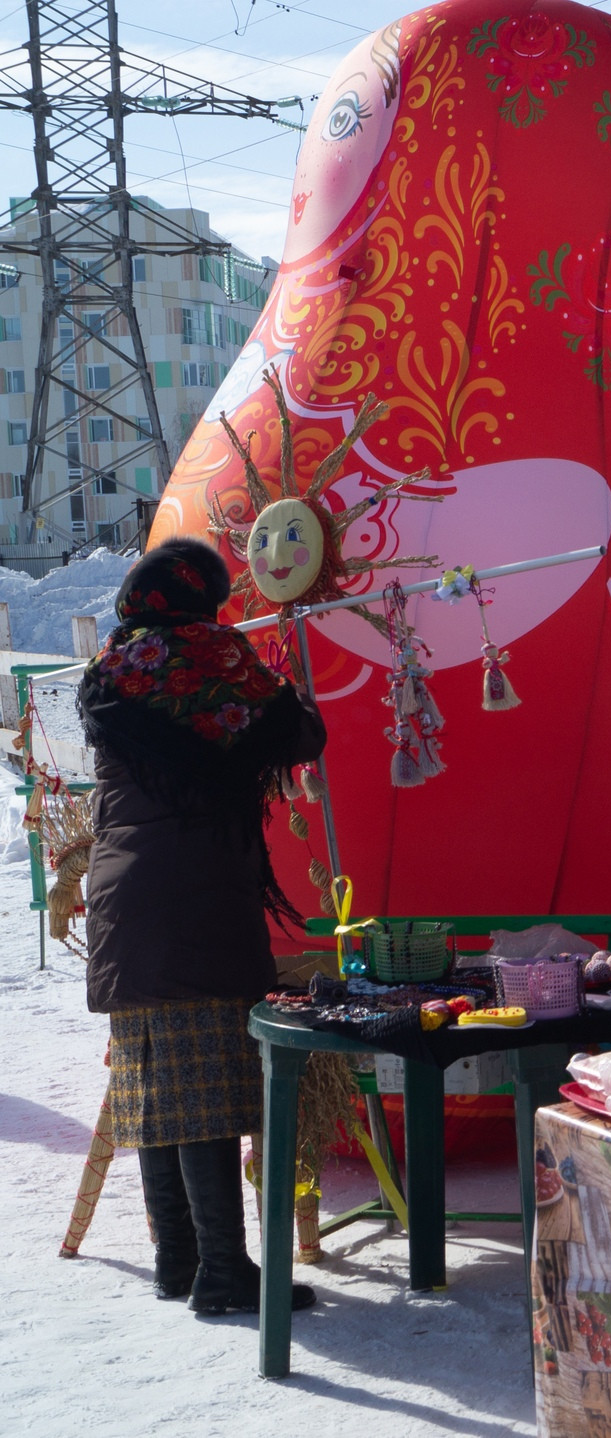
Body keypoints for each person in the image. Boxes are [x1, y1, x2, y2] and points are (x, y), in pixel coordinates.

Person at [81, 537, 327, 1314]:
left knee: (151, 1082)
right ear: (204, 595)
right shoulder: (218, 661)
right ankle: (224, 1272)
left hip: (122, 900)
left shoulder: (110, 670)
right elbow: (301, 733)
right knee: (208, 1083)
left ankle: (177, 1261)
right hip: (198, 895)